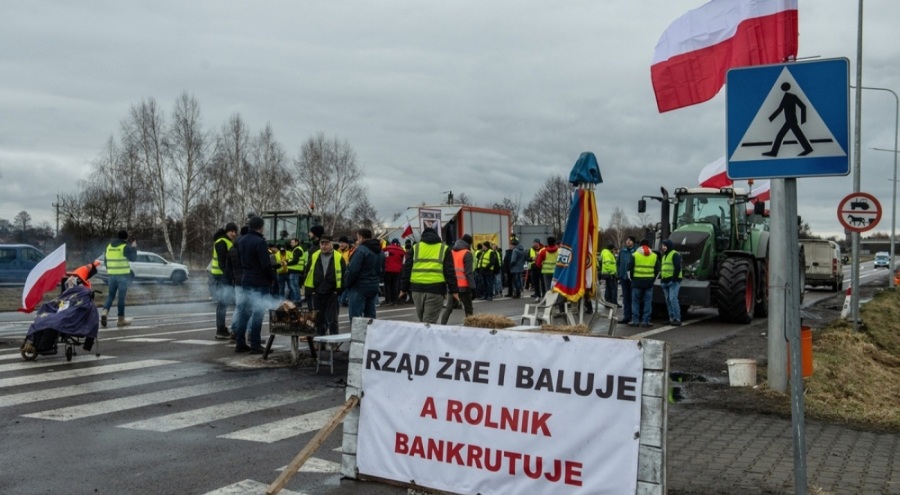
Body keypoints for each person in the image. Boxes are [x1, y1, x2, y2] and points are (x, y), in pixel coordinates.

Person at [233, 216, 275, 353]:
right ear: (261, 227)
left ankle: (240, 342)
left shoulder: (241, 240)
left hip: (246, 279)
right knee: (258, 312)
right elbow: (265, 264)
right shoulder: (260, 242)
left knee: (245, 312)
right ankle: (255, 344)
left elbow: (239, 260)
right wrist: (272, 278)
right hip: (260, 281)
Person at [399, 227, 459, 323]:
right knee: (429, 323)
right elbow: (449, 272)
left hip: (416, 289)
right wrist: (454, 291)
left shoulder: (415, 248)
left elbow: (407, 269)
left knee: (423, 321)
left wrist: (403, 289)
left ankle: (422, 337)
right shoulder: (444, 249)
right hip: (435, 289)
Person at [305, 235, 345, 336]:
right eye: (322, 244)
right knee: (318, 319)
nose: (324, 246)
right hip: (317, 292)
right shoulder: (314, 255)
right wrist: (311, 290)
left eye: (326, 244)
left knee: (332, 320)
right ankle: (320, 342)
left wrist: (338, 290)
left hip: (332, 292)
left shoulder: (338, 256)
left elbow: (344, 274)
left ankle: (334, 342)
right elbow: (307, 272)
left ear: (331, 244)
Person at [345, 229, 384, 324]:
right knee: (370, 318)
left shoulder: (361, 250)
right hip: (373, 286)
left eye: (358, 238)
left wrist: (347, 283)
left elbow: (353, 270)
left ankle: (357, 338)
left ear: (361, 237)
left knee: (356, 320)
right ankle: (370, 338)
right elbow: (382, 269)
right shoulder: (379, 251)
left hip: (359, 287)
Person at [100, 230, 137, 328]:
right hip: (123, 276)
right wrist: (133, 247)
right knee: (121, 298)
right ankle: (121, 320)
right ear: (126, 238)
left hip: (112, 276)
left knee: (110, 296)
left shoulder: (109, 246)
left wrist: (110, 270)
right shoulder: (124, 247)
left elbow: (105, 261)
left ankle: (104, 312)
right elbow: (133, 258)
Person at [440, 234, 476, 324]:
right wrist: (473, 287)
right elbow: (468, 273)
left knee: (449, 308)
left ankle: (442, 325)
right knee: (468, 308)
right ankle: (470, 327)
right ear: (469, 243)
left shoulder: (451, 252)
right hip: (464, 287)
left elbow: (447, 269)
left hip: (453, 286)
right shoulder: (467, 253)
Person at [211, 222, 238, 339]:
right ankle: (221, 329)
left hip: (222, 276)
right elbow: (223, 262)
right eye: (232, 231)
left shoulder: (225, 241)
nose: (234, 234)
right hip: (223, 276)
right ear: (227, 231)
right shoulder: (222, 241)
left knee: (224, 303)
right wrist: (230, 276)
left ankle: (222, 329)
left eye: (235, 231)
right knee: (223, 303)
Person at [628, 239, 659, 328]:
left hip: (637, 282)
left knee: (635, 302)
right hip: (649, 282)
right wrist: (653, 280)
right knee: (647, 302)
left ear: (640, 245)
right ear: (648, 245)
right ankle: (646, 321)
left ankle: (635, 321)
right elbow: (658, 270)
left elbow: (629, 269)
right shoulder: (654, 256)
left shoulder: (635, 255)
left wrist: (632, 279)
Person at [659, 239, 683, 326]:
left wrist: (673, 280)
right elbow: (663, 269)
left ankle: (677, 318)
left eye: (665, 246)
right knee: (668, 300)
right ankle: (671, 318)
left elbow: (677, 268)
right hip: (665, 281)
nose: (663, 247)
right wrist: (662, 280)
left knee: (673, 299)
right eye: (662, 246)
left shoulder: (674, 254)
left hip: (673, 282)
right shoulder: (664, 256)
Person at [304, 225, 325, 310]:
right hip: (310, 279)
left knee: (317, 307)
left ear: (316, 233)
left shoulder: (321, 246)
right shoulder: (313, 246)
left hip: (317, 280)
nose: (309, 234)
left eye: (311, 232)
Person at [617, 236, 637, 324]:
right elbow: (618, 263)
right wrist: (619, 273)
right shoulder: (622, 252)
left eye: (630, 240)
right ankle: (626, 316)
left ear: (633, 242)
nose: (628, 242)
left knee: (633, 298)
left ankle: (634, 316)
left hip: (633, 278)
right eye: (627, 240)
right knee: (626, 298)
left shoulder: (636, 252)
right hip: (624, 277)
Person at [382, 238, 405, 306]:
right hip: (397, 271)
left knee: (387, 285)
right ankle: (395, 300)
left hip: (388, 270)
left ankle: (388, 300)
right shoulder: (402, 251)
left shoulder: (386, 249)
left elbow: (384, 259)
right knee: (395, 285)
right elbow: (403, 262)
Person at [286, 238, 305, 304]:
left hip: (295, 271)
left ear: (296, 242)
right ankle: (296, 300)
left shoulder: (297, 250)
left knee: (294, 287)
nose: (291, 243)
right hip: (295, 271)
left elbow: (295, 261)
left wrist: (287, 263)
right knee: (294, 286)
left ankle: (297, 301)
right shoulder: (296, 249)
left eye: (292, 242)